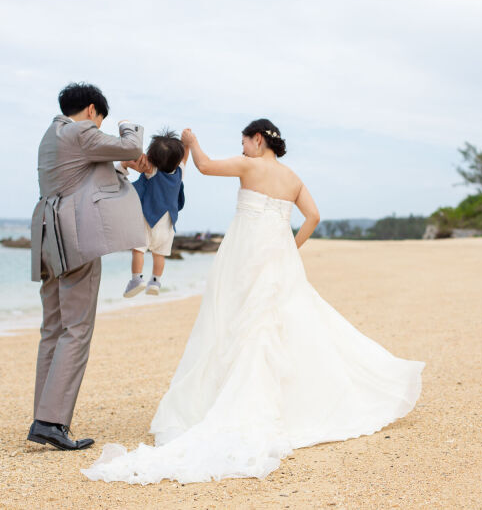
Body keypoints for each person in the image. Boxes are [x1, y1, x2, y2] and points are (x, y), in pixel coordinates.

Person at [82, 119, 424, 483]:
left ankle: (236, 400)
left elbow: (206, 166)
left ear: (258, 139)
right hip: (277, 254)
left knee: (236, 318)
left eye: (244, 140)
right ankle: (291, 402)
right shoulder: (292, 177)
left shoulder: (249, 164)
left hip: (245, 252)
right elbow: (314, 217)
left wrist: (192, 142)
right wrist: (290, 247)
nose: (243, 147)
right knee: (283, 320)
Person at [28, 83, 149, 451]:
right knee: (77, 329)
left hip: (47, 236)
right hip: (75, 239)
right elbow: (131, 147)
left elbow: (86, 172)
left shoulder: (52, 134)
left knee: (53, 328)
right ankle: (51, 422)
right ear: (93, 110)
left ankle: (43, 417)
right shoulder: (82, 132)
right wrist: (129, 125)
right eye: (103, 119)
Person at [119, 130, 189, 297]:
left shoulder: (152, 170)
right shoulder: (180, 172)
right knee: (160, 254)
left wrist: (128, 161)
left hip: (149, 219)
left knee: (139, 250)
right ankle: (155, 281)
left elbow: (135, 162)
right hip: (168, 223)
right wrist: (187, 144)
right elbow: (184, 157)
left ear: (151, 156)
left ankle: (136, 279)